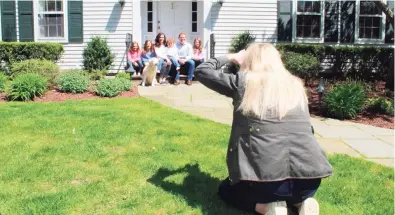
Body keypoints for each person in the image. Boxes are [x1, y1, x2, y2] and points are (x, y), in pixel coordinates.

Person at [194, 43, 333, 215]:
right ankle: (301, 203)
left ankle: (267, 207)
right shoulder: (295, 85)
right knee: (293, 188)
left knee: (226, 189)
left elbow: (202, 71)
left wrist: (232, 57)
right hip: (310, 181)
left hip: (266, 184)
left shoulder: (242, 82)